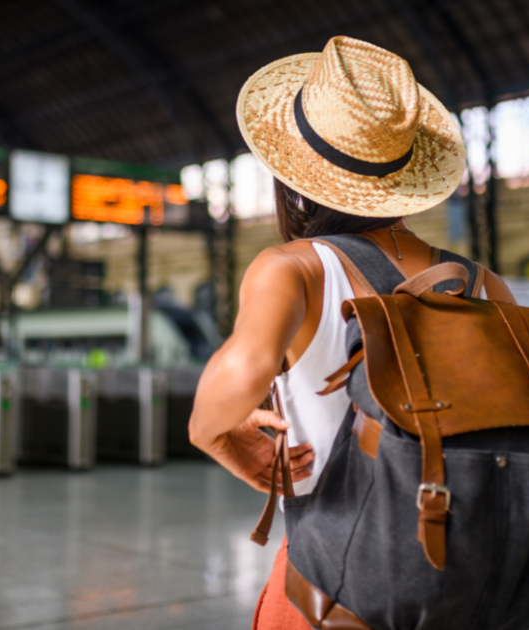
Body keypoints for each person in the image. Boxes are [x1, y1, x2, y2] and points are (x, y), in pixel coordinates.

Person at [189, 36, 479, 629]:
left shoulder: (293, 268)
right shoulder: (480, 282)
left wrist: (218, 436)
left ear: (290, 168)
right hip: (468, 579)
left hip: (337, 582)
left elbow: (237, 380)